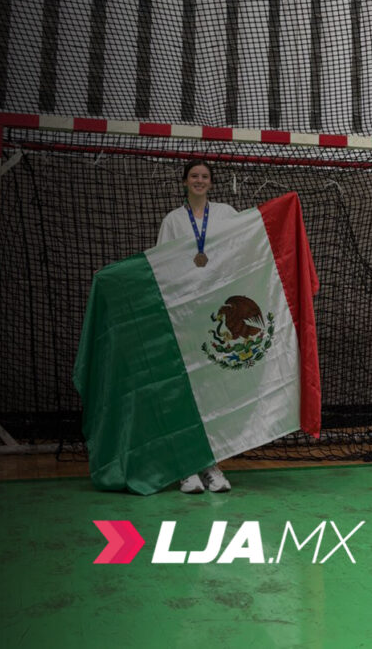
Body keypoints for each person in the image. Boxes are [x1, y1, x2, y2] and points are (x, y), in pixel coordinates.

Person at [157, 159, 238, 494]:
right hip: (185, 316)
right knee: (185, 392)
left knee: (212, 393)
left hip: (216, 316)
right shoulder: (173, 221)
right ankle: (185, 468)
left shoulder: (228, 215)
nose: (199, 181)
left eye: (205, 176)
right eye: (194, 176)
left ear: (212, 182)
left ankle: (212, 466)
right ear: (185, 182)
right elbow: (161, 265)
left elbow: (244, 249)